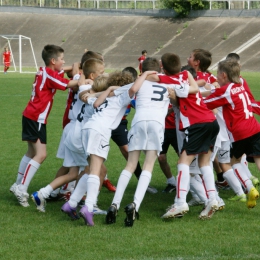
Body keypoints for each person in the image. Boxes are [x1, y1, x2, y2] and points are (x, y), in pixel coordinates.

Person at [105, 57, 197, 227]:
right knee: (148, 165)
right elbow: (188, 94)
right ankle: (135, 205)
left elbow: (117, 92)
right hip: (157, 123)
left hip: (139, 121)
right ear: (160, 70)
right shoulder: (167, 84)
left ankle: (115, 203)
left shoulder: (140, 83)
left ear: (142, 69)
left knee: (130, 165)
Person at [31, 58, 107, 213]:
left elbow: (78, 78)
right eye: (102, 72)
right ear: (92, 75)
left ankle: (43, 193)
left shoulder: (80, 80)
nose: (104, 74)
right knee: (97, 170)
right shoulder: (92, 86)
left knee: (72, 172)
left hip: (72, 129)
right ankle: (87, 205)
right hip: (81, 133)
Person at [149, 53, 219, 220]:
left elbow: (152, 78)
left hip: (197, 124)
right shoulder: (186, 74)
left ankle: (180, 202)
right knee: (204, 162)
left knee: (183, 162)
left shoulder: (167, 80)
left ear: (163, 69)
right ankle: (212, 199)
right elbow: (184, 95)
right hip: (211, 122)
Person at [61, 70, 135, 226]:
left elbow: (91, 101)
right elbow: (134, 90)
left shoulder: (105, 95)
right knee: (95, 170)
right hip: (100, 130)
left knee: (91, 169)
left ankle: (72, 203)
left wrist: (105, 90)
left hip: (87, 128)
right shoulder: (123, 96)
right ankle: (88, 206)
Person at [10, 44, 79, 207]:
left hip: (30, 115)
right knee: (41, 155)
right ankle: (22, 188)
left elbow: (60, 72)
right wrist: (78, 72)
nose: (64, 62)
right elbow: (68, 84)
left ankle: (18, 184)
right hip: (36, 117)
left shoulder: (44, 70)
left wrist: (76, 66)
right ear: (53, 60)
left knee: (31, 152)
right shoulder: (50, 75)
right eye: (61, 59)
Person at [204, 60, 260, 209]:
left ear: (223, 75)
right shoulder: (240, 85)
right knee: (259, 159)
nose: (216, 77)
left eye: (217, 74)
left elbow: (207, 103)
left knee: (233, 162)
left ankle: (249, 188)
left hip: (240, 132)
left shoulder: (226, 90)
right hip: (255, 127)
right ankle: (250, 187)